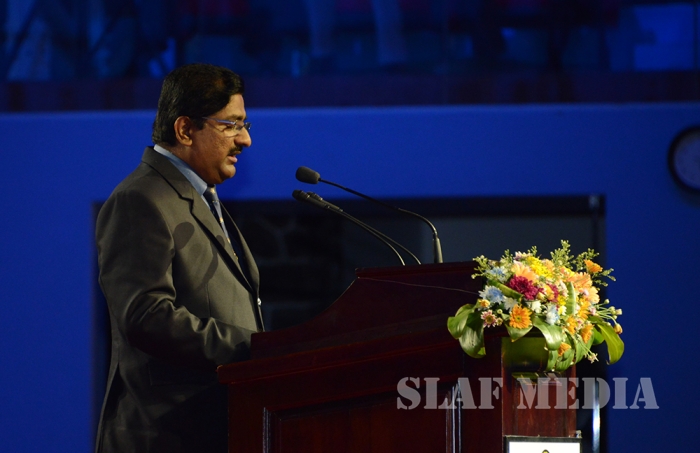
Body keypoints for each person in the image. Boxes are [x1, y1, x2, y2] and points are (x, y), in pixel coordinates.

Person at [94, 63, 264, 453]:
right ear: (185, 129)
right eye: (232, 125)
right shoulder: (140, 199)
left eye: (245, 125)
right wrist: (253, 348)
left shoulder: (203, 198)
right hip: (166, 436)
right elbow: (146, 315)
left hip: (217, 430)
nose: (245, 140)